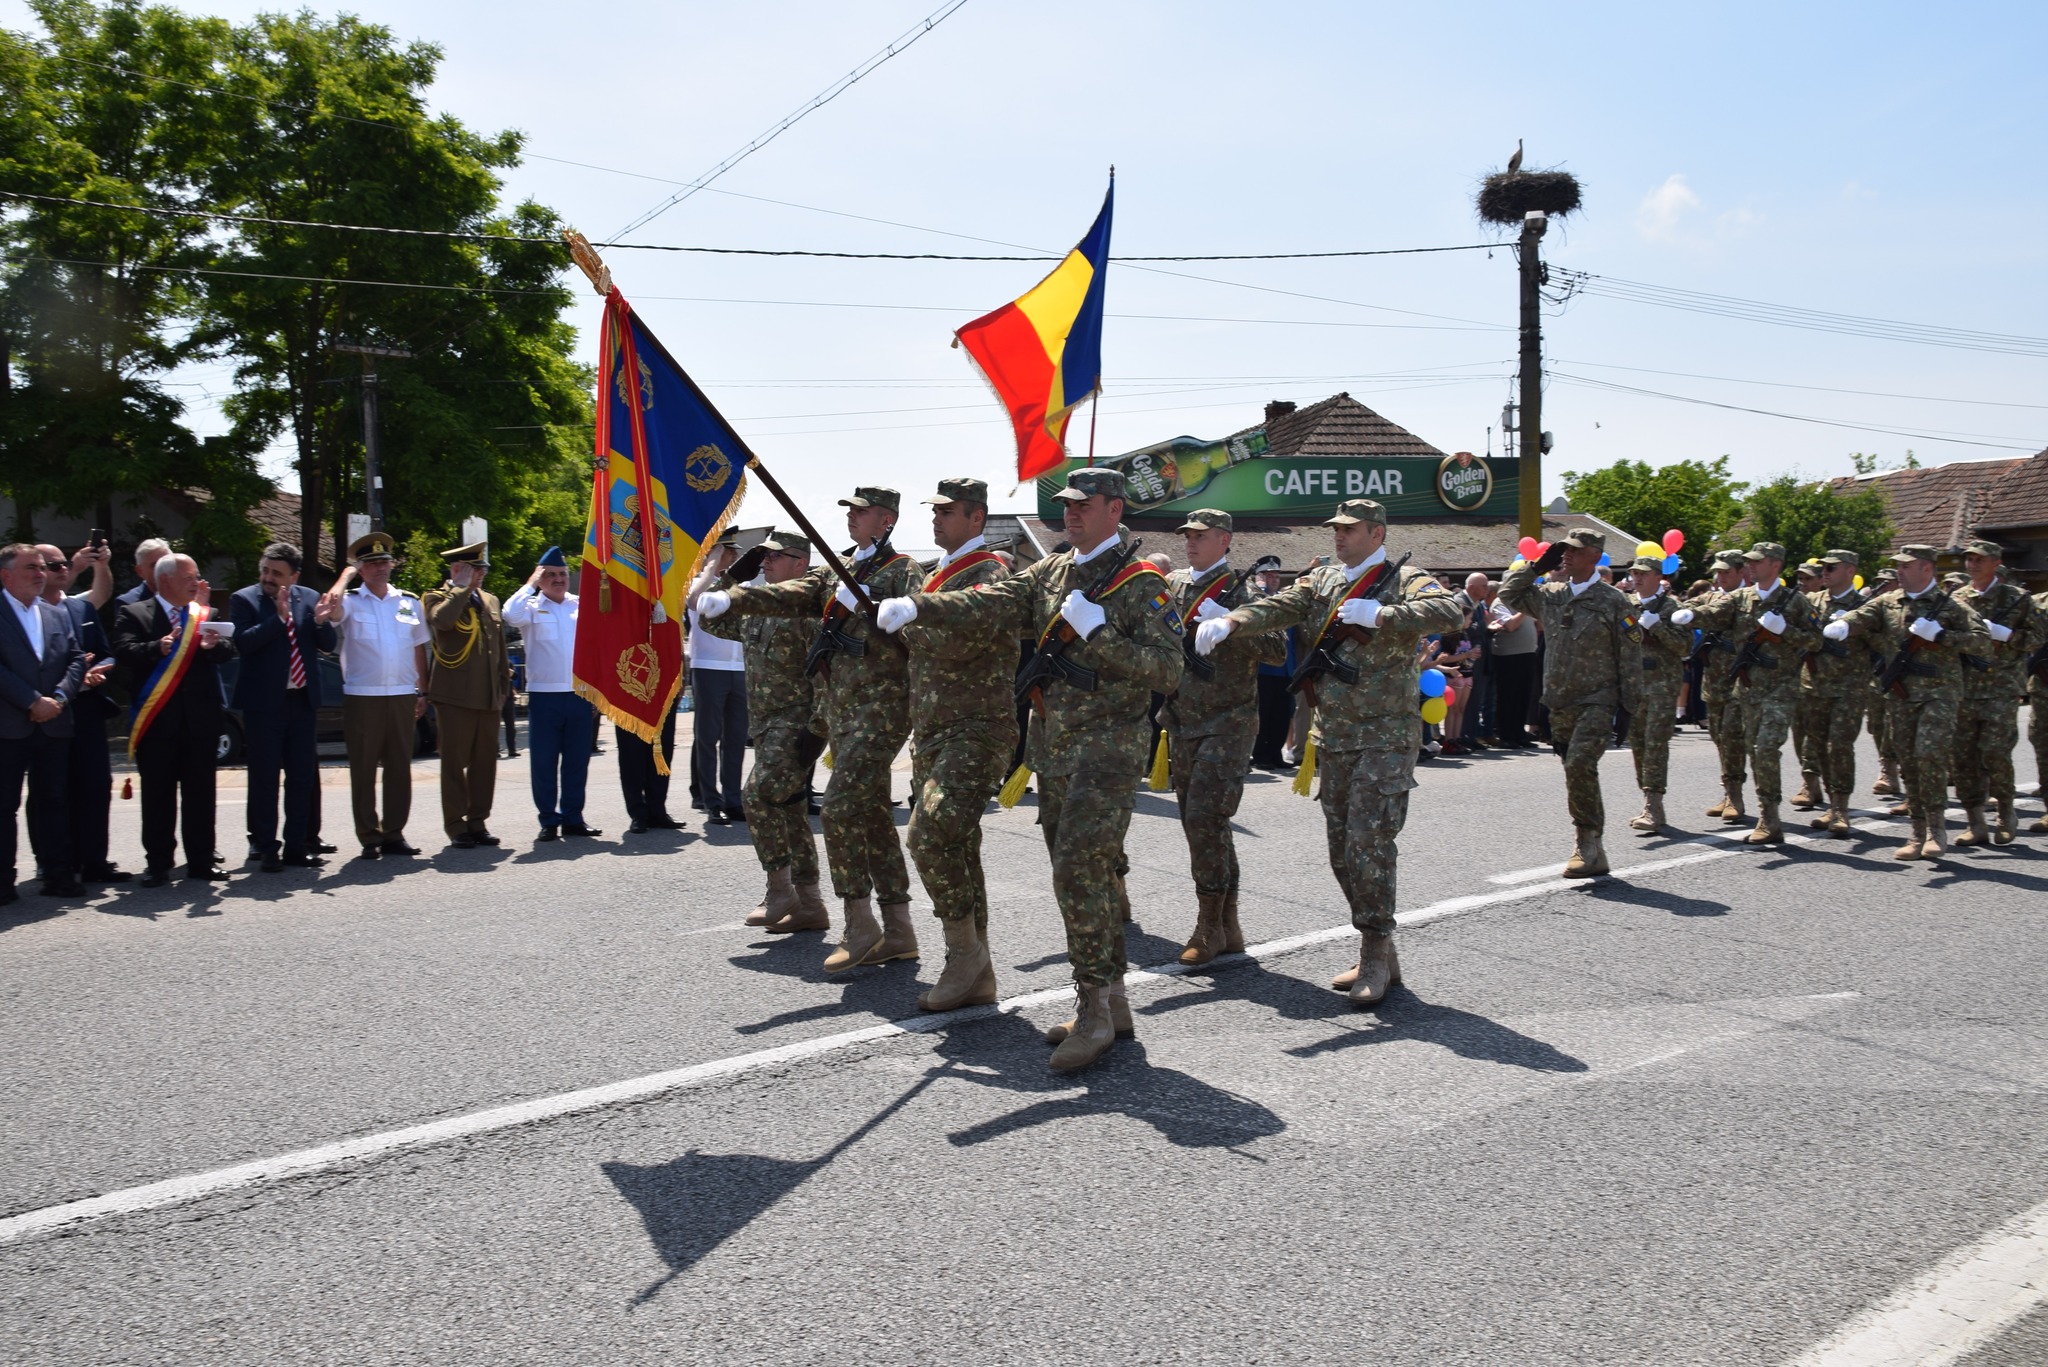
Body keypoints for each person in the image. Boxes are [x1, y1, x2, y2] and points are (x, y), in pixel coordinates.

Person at [876, 467, 1181, 1069]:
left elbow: (1168, 671)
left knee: (1079, 873)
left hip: (1109, 755)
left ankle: (1093, 1010)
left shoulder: (1141, 584)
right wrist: (920, 606)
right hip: (1055, 750)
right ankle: (1112, 1000)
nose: (1070, 512)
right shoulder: (1053, 570)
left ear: (1115, 510)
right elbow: (991, 599)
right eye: (1066, 503)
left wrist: (1099, 636)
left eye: (1084, 504)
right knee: (1079, 876)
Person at [1200, 497, 1462, 1006]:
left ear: (1377, 534)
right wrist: (1234, 621)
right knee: (1343, 851)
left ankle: (1374, 950)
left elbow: (1453, 610)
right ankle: (1380, 945)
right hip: (1335, 735)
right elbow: (1278, 606)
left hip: (1387, 735)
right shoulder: (1323, 581)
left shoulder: (1403, 579)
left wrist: (1383, 614)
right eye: (1336, 529)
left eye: (1350, 529)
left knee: (1368, 843)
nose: (1338, 537)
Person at [698, 487, 921, 973]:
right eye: (850, 511)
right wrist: (735, 595)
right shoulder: (836, 572)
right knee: (874, 820)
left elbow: (919, 628)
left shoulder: (902, 570)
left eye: (861, 512)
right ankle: (900, 930)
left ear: (885, 519)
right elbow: (797, 593)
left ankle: (859, 923)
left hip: (880, 707)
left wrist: (886, 610)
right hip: (844, 711)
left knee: (839, 808)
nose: (852, 518)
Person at [896, 478, 1014, 1010]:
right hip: (934, 730)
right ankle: (977, 968)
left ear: (976, 519)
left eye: (948, 512)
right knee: (958, 846)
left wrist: (910, 617)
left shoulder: (991, 571)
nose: (936, 519)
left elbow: (957, 641)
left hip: (977, 727)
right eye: (935, 510)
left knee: (927, 834)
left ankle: (963, 956)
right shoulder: (932, 574)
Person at [1158, 510, 1283, 966]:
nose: (1190, 542)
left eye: (1200, 535)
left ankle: (1208, 925)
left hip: (1229, 722)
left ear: (1224, 540)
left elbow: (1276, 651)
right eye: (1187, 535)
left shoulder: (1245, 591)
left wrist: (1233, 620)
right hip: (1182, 719)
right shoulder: (1171, 585)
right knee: (1201, 825)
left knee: (1205, 816)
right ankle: (1228, 922)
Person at [1822, 545, 1990, 859]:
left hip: (1940, 694)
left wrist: (1942, 636)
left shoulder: (1952, 605)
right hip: (1901, 696)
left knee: (1929, 754)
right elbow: (1862, 616)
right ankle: (1917, 833)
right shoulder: (1888, 603)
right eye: (1898, 565)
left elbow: (1982, 641)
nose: (1899, 570)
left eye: (1906, 565)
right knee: (1910, 764)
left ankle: (1937, 831)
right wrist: (1844, 625)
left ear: (1927, 569)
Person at [697, 531, 822, 925]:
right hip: (766, 725)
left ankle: (781, 889)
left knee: (756, 796)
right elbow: (707, 617)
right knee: (789, 810)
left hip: (795, 722)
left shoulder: (808, 612)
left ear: (799, 564)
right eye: (761, 557)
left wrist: (818, 730)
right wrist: (731, 576)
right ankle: (811, 905)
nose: (765, 562)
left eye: (774, 556)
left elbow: (825, 676)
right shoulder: (757, 608)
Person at [1499, 531, 1642, 877]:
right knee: (1574, 770)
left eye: (1573, 551)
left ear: (1593, 555)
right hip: (1559, 700)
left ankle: (1587, 841)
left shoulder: (1614, 601)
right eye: (1562, 550)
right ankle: (1593, 847)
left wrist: (1629, 706)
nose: (1564, 555)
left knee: (1579, 764)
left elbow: (1630, 655)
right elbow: (1508, 593)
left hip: (1598, 699)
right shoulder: (1551, 594)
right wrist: (1534, 568)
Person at [1671, 542, 1820, 845]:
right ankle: (1747, 804)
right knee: (1752, 750)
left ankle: (1769, 817)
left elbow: (1816, 642)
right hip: (1748, 690)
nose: (1750, 566)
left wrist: (1785, 631)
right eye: (1749, 562)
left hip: (1781, 689)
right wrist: (1688, 615)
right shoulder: (1741, 598)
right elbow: (1713, 610)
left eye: (1757, 561)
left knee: (1765, 748)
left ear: (1775, 565)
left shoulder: (1796, 602)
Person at [108, 552, 235, 885]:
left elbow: (228, 652)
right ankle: (159, 864)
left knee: (201, 795)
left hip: (200, 722)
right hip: (158, 722)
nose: (196, 583)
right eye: (188, 578)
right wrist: (156, 648)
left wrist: (213, 646)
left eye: (196, 577)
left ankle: (202, 861)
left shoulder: (204, 614)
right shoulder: (134, 613)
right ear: (165, 580)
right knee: (158, 797)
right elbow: (122, 652)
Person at [317, 533, 430, 861]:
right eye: (372, 563)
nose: (381, 568)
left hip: (401, 695)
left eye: (385, 561)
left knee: (399, 767)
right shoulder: (351, 601)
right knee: (363, 769)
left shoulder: (408, 601)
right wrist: (344, 576)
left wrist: (422, 691)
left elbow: (419, 648)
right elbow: (330, 608)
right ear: (362, 569)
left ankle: (394, 833)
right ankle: (369, 835)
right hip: (362, 696)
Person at [229, 542, 337, 871]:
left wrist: (320, 623)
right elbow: (244, 643)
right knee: (264, 778)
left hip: (301, 702)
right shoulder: (244, 599)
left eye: (277, 573)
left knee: (301, 778)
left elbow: (328, 645)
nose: (268, 577)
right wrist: (278, 618)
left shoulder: (308, 597)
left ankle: (296, 845)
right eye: (265, 570)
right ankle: (265, 847)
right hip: (264, 706)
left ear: (294, 576)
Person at [1, 543, 88, 902]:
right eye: (31, 568)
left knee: (53, 800)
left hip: (53, 722)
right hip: (8, 725)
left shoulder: (55, 612)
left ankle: (57, 874)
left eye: (42, 567)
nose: (41, 574)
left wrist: (60, 698)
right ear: (5, 575)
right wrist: (31, 700)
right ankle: (3, 881)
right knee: (4, 806)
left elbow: (75, 658)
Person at [37, 542, 124, 884]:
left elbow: (106, 653)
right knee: (53, 789)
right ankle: (53, 861)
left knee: (96, 785)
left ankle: (94, 861)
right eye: (53, 565)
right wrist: (69, 680)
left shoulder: (79, 608)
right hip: (49, 709)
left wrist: (98, 671)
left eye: (63, 565)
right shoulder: (26, 612)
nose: (61, 570)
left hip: (87, 708)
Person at [503, 547, 600, 842]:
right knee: (544, 762)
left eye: (562, 574)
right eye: (551, 575)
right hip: (545, 696)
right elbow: (509, 613)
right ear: (540, 578)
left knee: (576, 761)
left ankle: (573, 818)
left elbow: (594, 651)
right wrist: (532, 582)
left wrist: (597, 692)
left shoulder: (581, 606)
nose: (558, 580)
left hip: (580, 694)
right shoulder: (530, 607)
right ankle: (548, 820)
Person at [1951, 539, 2044, 846]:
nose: (1972, 564)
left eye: (1979, 559)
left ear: (1995, 562)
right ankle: (1975, 821)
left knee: (1995, 752)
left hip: (2001, 689)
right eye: (1969, 559)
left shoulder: (2016, 598)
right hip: (1964, 688)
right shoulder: (1956, 598)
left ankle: (2005, 812)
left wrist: (2008, 635)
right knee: (1964, 758)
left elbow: (2037, 638)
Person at [422, 543, 510, 850]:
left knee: (486, 762)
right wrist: (459, 589)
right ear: (457, 569)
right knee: (454, 763)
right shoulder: (436, 597)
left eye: (483, 569)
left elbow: (498, 647)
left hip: (487, 695)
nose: (481, 575)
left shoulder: (490, 600)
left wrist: (503, 686)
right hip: (454, 697)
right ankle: (456, 825)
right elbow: (443, 622)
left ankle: (478, 821)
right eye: (475, 570)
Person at [1794, 550, 1869, 837]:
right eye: (1823, 568)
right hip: (1813, 687)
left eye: (1832, 568)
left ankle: (1840, 807)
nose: (1825, 572)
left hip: (1848, 688)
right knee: (1817, 747)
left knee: (1839, 746)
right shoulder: (1811, 601)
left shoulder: (1863, 605)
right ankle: (1829, 800)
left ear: (1850, 570)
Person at [686, 533, 749, 826]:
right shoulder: (699, 582)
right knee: (708, 738)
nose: (733, 557)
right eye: (727, 552)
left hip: (738, 668)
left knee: (735, 740)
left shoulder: (740, 586)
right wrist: (710, 566)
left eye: (733, 552)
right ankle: (712, 801)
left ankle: (734, 799)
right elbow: (693, 601)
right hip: (708, 667)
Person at [1625, 556, 1688, 834]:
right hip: (1635, 685)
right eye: (1634, 573)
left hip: (1662, 685)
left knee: (1655, 743)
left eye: (1643, 573)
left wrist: (1658, 627)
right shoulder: (1628, 605)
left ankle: (1653, 803)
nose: (1637, 578)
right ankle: (1648, 798)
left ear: (1657, 576)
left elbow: (1685, 647)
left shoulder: (1673, 607)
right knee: (1638, 743)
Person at [1697, 550, 1751, 821]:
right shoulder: (1712, 596)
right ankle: (1728, 791)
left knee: (1732, 737)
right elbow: (1690, 607)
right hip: (1714, 681)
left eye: (1727, 572)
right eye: (1718, 572)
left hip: (1740, 683)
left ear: (1742, 572)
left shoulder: (1750, 599)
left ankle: (1735, 796)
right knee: (1719, 738)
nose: (1720, 577)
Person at [1249, 556, 1296, 769]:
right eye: (1269, 576)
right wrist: (1260, 591)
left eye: (1277, 576)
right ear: (1259, 577)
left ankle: (1275, 753)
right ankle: (1260, 754)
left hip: (1286, 667)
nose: (1274, 580)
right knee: (1263, 712)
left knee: (1282, 714)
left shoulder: (1285, 600)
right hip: (1263, 668)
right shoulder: (1256, 599)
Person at [1488, 581, 1539, 748]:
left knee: (1523, 696)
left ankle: (1518, 733)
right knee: (1508, 697)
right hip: (1508, 655)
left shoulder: (1523, 603)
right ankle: (1506, 734)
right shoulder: (1500, 602)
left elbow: (1538, 625)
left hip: (1527, 653)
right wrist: (1524, 608)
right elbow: (1510, 625)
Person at [114, 537, 172, 608]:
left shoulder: (185, 595)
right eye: (155, 565)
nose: (162, 569)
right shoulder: (128, 604)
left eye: (166, 563)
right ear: (140, 571)